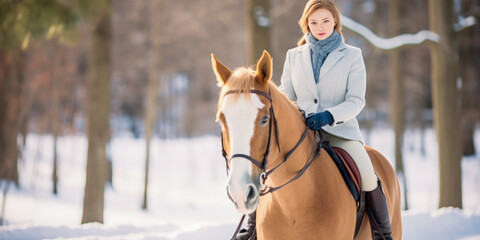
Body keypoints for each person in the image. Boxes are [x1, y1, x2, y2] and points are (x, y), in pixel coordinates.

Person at [235, 1, 393, 240]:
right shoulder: (294, 56)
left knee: (368, 174)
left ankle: (383, 234)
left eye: (326, 21)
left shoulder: (352, 56)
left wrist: (329, 115)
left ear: (335, 22)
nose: (320, 27)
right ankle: (251, 229)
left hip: (341, 133)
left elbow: (356, 100)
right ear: (306, 24)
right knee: (268, 169)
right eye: (314, 22)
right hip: (303, 132)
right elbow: (286, 96)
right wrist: (298, 115)